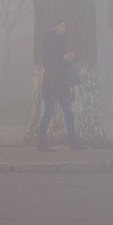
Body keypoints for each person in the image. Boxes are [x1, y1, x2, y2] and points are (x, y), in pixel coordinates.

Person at [38, 20, 84, 150]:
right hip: (52, 83)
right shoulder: (49, 41)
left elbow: (63, 63)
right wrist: (63, 58)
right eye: (61, 26)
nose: (64, 28)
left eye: (65, 26)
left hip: (61, 83)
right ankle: (42, 141)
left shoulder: (63, 41)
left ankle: (73, 142)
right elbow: (48, 62)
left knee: (68, 111)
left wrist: (70, 58)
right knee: (49, 112)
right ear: (55, 27)